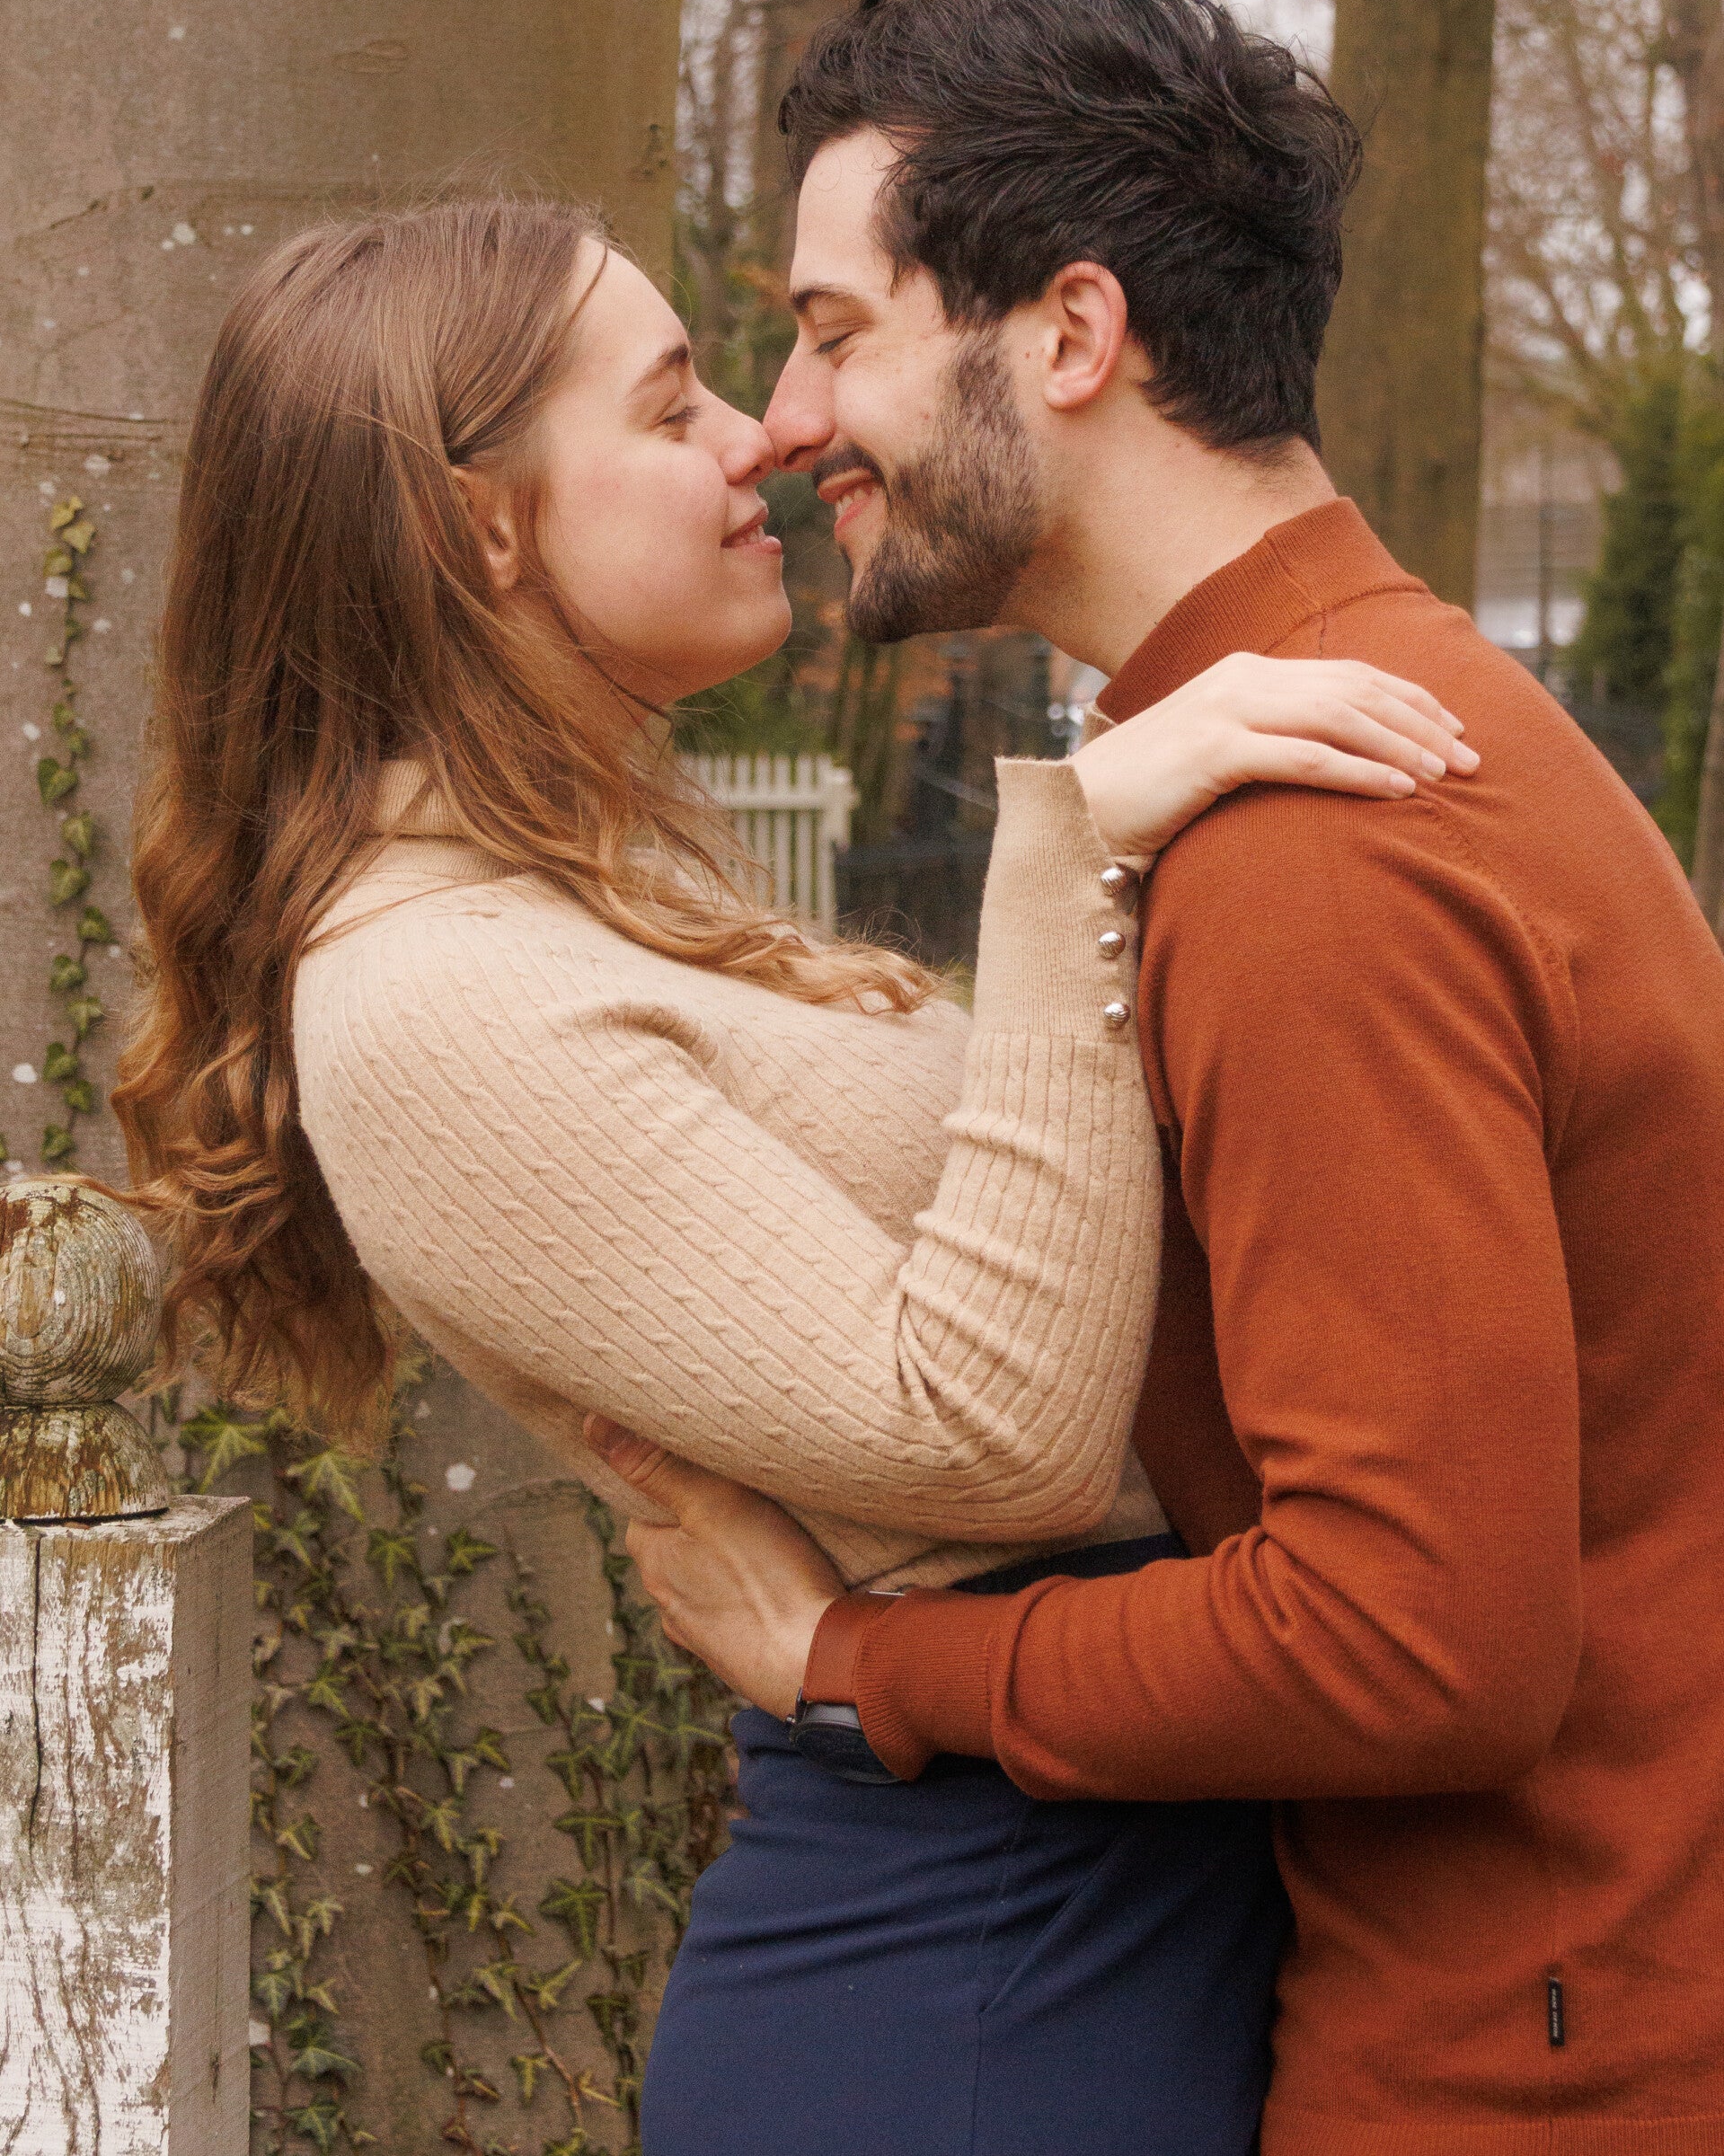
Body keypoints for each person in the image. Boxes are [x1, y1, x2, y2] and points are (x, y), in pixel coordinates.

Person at [115, 189, 1473, 2156]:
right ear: (474, 525)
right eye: (671, 409)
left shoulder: (581, 896)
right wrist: (1074, 849)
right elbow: (988, 1437)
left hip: (1103, 1873)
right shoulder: (429, 1000)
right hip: (970, 1972)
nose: (764, 432)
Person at [586, 0, 1724, 2156]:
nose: (790, 419)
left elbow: (1416, 1637)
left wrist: (856, 1664)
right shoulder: (1359, 717)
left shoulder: (1317, 846)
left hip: (1523, 2073)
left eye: (836, 329)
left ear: (1071, 334)